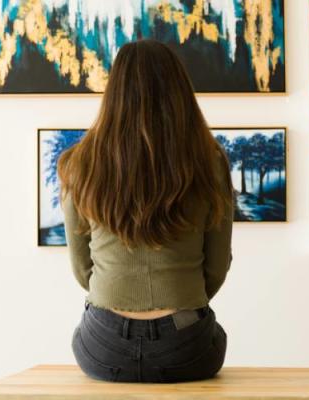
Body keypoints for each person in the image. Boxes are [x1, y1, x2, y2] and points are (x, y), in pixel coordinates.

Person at [57, 40, 234, 383]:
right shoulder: (210, 162)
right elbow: (215, 266)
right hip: (186, 345)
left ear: (114, 92)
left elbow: (82, 270)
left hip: (104, 345)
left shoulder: (80, 162)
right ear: (180, 91)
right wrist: (180, 299)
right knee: (213, 337)